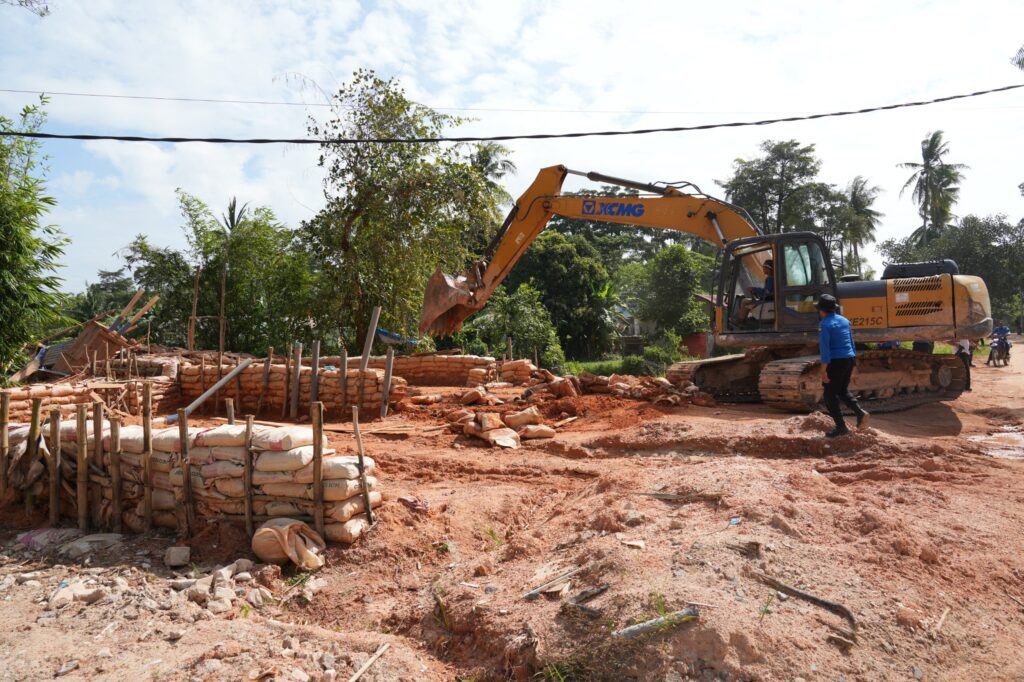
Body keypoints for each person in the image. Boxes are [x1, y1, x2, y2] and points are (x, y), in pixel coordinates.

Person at [817, 294, 869, 438]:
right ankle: (860, 413)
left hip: (836, 361)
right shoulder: (845, 321)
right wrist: (853, 359)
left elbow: (825, 350)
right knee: (842, 390)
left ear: (821, 310)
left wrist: (823, 371)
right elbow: (851, 342)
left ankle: (841, 427)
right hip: (849, 358)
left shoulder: (825, 324)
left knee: (829, 394)